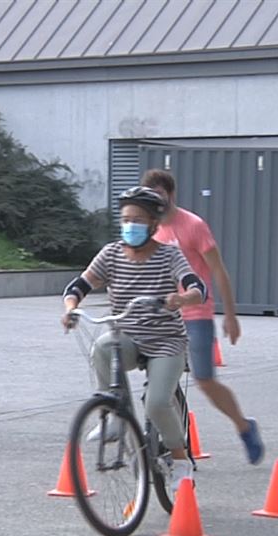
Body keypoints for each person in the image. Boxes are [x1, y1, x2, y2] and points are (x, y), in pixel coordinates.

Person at [62, 186, 207, 489]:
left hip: (166, 340)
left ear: (154, 225)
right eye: (126, 219)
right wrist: (71, 308)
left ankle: (180, 459)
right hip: (128, 335)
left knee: (156, 403)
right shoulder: (112, 253)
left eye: (138, 220)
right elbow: (80, 285)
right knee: (102, 348)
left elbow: (196, 287)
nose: (131, 226)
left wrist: (181, 299)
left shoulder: (169, 255)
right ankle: (115, 415)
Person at [143, 168, 265, 465]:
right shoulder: (150, 228)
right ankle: (172, 447)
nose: (156, 202)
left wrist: (231, 315)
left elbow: (218, 269)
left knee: (205, 380)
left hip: (196, 312)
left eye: (160, 195)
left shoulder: (193, 225)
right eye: (150, 197)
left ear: (171, 195)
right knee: (159, 382)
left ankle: (244, 426)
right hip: (164, 315)